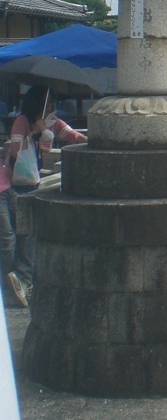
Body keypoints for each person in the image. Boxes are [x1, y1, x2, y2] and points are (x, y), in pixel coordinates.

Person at [2, 85, 86, 307]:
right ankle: (13, 281)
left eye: (52, 105)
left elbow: (72, 135)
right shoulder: (23, 120)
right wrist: (34, 133)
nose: (51, 108)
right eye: (48, 105)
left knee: (27, 235)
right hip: (14, 184)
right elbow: (14, 151)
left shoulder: (52, 121)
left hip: (33, 183)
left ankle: (21, 280)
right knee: (11, 238)